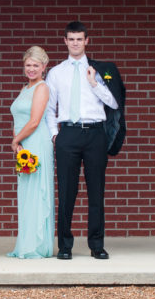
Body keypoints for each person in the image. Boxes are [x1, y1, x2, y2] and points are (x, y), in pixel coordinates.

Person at [46, 20, 122, 260]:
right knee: (66, 192)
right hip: (68, 133)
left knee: (96, 191)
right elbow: (49, 108)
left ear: (87, 41)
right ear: (65, 41)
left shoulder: (98, 70)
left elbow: (114, 102)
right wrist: (54, 135)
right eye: (71, 39)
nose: (76, 43)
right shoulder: (56, 72)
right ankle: (65, 246)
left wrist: (94, 83)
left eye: (80, 39)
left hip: (95, 134)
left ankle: (96, 245)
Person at [8, 46, 54, 259]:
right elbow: (18, 118)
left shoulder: (42, 88)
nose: (31, 69)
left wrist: (16, 140)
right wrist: (17, 143)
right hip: (23, 144)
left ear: (44, 67)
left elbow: (34, 121)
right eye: (28, 65)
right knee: (26, 193)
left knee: (37, 192)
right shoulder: (24, 88)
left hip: (36, 142)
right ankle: (25, 244)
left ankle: (37, 246)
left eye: (36, 65)